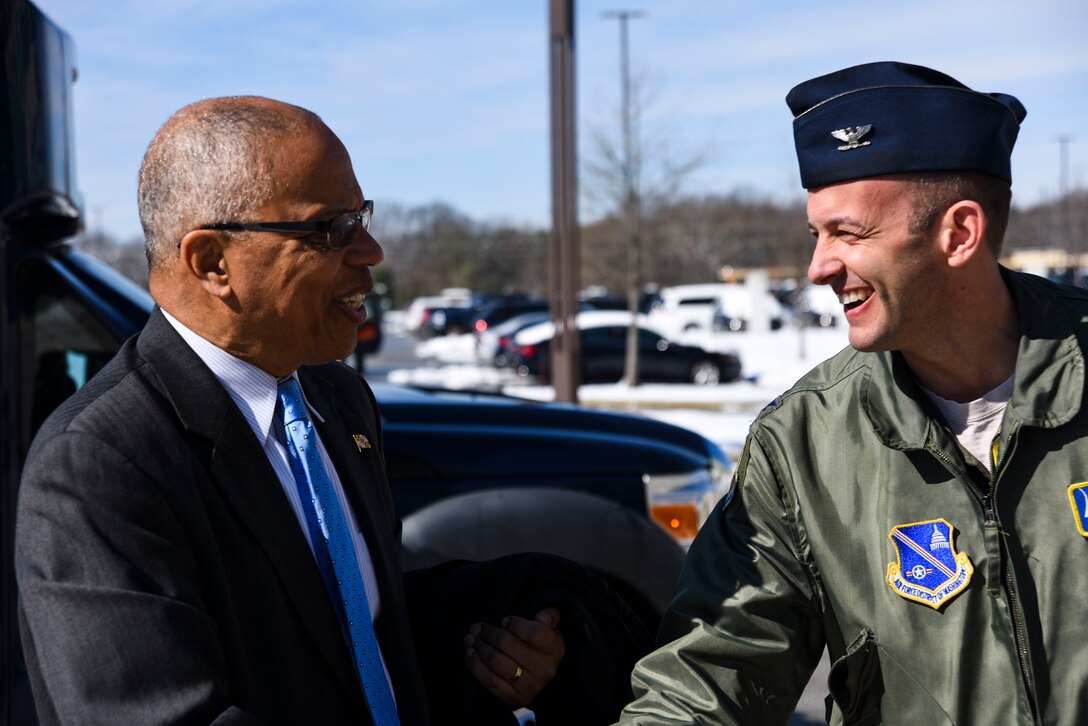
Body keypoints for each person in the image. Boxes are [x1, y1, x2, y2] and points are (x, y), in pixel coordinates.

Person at [15, 96, 565, 725]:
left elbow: (355, 643)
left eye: (361, 217)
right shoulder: (98, 464)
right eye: (331, 229)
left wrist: (483, 658)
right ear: (212, 262)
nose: (371, 251)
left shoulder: (340, 399)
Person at [619, 61, 1088, 724]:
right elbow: (708, 676)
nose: (819, 268)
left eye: (849, 233)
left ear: (958, 234)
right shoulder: (804, 444)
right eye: (818, 235)